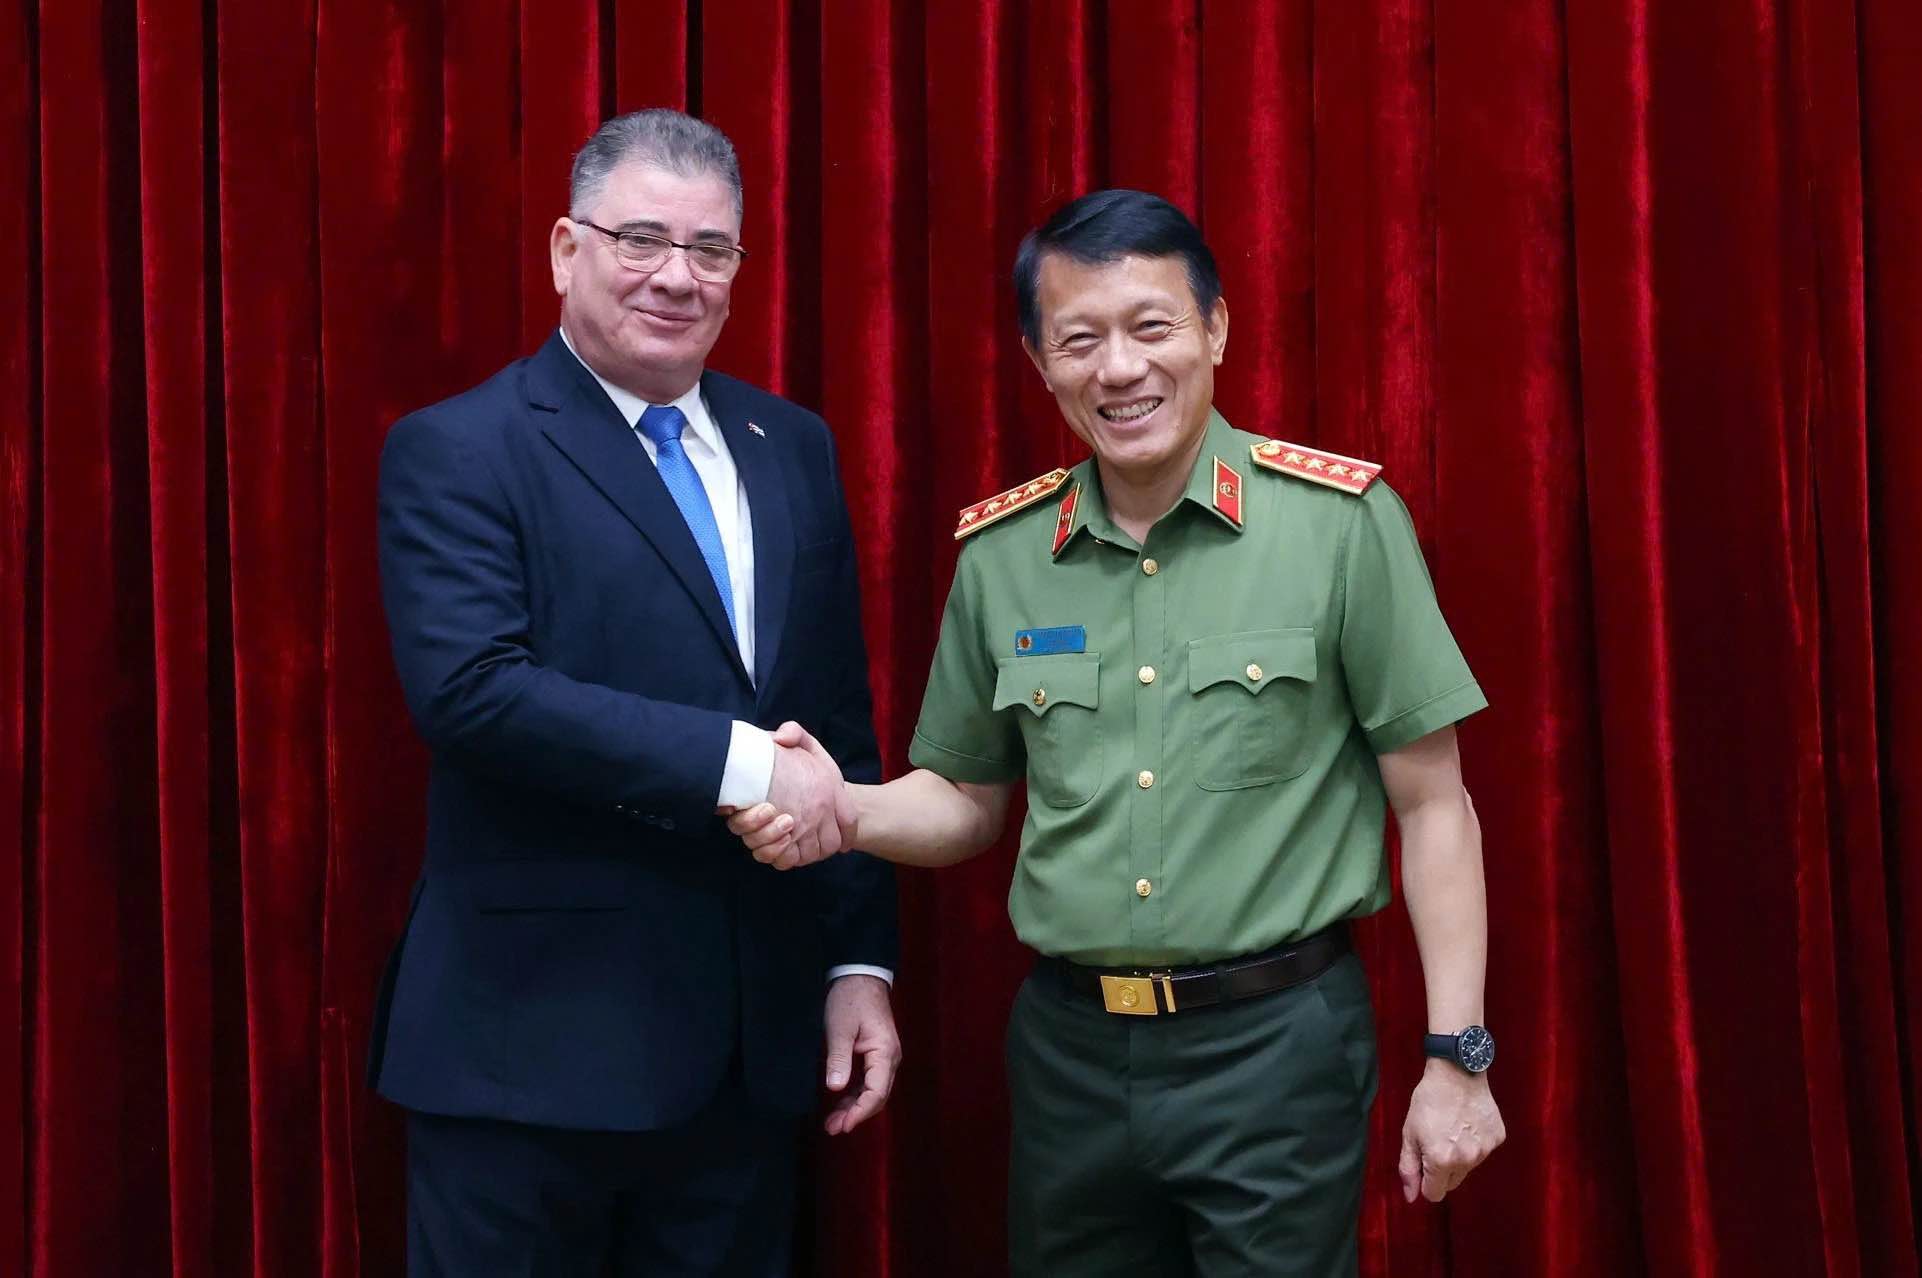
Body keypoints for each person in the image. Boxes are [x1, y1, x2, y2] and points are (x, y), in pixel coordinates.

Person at [731, 188, 1504, 1277]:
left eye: (1151, 327)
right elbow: (962, 799)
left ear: (1216, 329)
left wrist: (1455, 1057)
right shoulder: (1001, 555)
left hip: (1275, 1046)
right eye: (1077, 340)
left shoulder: (1337, 526)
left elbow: (1432, 805)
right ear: (1038, 361)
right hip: (1069, 1054)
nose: (1119, 370)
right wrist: (840, 808)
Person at [368, 108, 899, 1276]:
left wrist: (857, 961)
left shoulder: (789, 445)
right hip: (526, 1060)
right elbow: (473, 692)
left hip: (743, 1062)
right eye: (640, 240)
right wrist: (744, 764)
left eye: (711, 250)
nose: (676, 277)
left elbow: (834, 721)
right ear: (567, 249)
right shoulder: (460, 448)